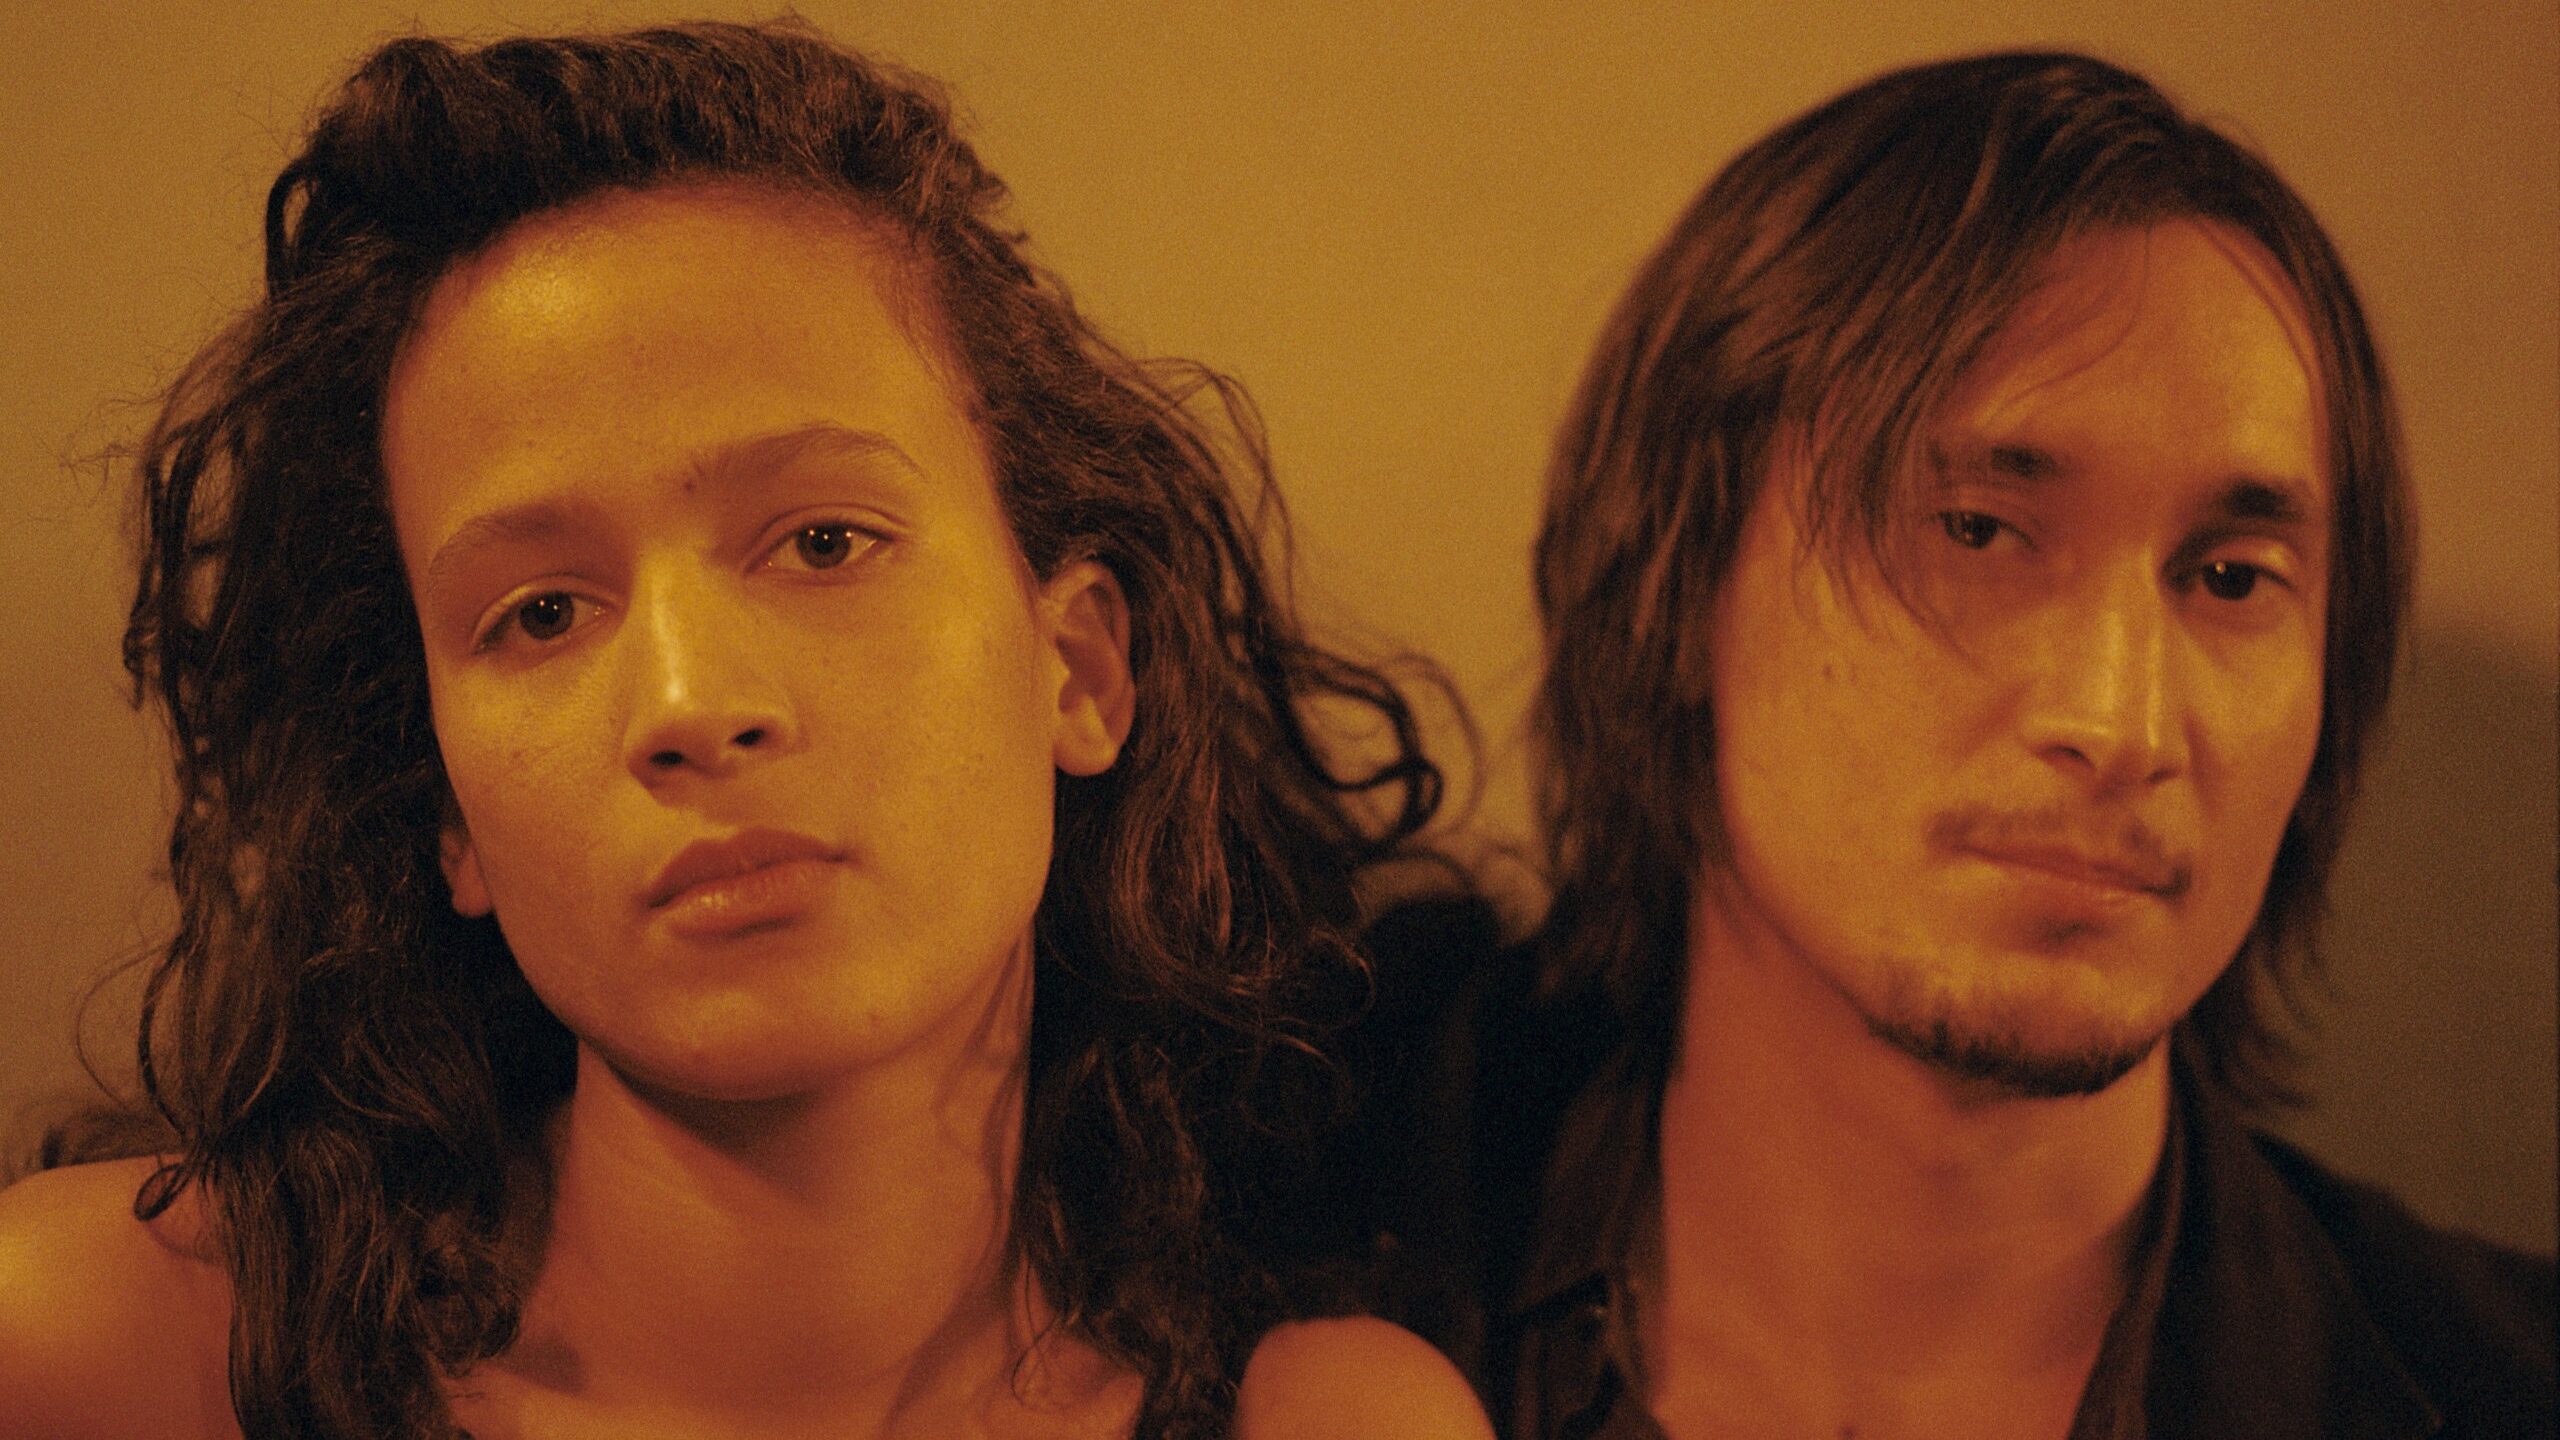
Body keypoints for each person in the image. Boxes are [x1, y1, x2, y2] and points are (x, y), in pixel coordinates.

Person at [0, 21, 1495, 1440]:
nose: (692, 704)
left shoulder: (1324, 1420)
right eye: (540, 613)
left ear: (1081, 672)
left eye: (824, 543)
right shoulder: (109, 1354)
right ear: (448, 816)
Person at [1354, 50, 2556, 1439]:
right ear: (1680, 588)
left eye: (2230, 580)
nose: (2118, 723)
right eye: (1977, 531)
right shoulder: (1262, 1283)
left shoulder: (2501, 1388)